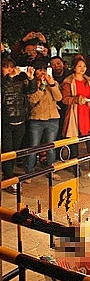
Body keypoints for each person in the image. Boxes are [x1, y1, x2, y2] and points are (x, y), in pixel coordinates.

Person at [1, 57, 37, 194]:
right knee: (7, 151)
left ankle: (8, 175)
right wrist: (10, 77)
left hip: (20, 121)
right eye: (6, 67)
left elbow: (31, 90)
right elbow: (3, 89)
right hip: (5, 122)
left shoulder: (20, 81)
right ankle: (8, 178)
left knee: (14, 151)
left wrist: (31, 78)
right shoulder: (3, 82)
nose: (10, 70)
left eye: (12, 67)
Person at [25, 60, 62, 181]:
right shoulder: (30, 83)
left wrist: (52, 84)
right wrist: (42, 86)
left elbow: (59, 97)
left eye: (44, 70)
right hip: (36, 119)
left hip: (52, 118)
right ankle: (29, 172)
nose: (42, 73)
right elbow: (32, 100)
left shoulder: (53, 82)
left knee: (51, 147)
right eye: (39, 70)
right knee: (33, 147)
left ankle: (51, 170)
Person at [61, 57, 90, 158]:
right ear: (74, 68)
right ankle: (74, 164)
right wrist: (77, 99)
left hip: (87, 113)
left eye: (84, 66)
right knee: (74, 142)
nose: (82, 68)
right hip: (74, 113)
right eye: (79, 66)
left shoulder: (89, 81)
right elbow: (64, 99)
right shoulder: (68, 81)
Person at [50, 56, 72, 139]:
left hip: (68, 106)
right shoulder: (49, 76)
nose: (56, 66)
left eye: (58, 63)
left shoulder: (70, 75)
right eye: (53, 64)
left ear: (63, 64)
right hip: (54, 107)